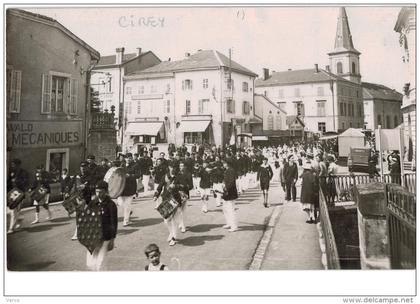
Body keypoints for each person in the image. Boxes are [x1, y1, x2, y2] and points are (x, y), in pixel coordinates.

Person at [84, 181, 118, 271]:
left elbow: (114, 223)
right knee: (90, 263)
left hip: (105, 238)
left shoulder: (111, 205)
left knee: (101, 263)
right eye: (97, 191)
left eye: (101, 192)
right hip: (94, 237)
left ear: (106, 191)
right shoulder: (92, 203)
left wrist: (112, 240)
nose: (98, 194)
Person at [7, 159, 29, 233]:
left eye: (14, 164)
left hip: (20, 193)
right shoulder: (12, 172)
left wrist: (17, 181)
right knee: (13, 210)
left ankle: (11, 228)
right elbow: (9, 182)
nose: (12, 166)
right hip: (13, 193)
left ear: (18, 165)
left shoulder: (24, 172)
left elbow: (26, 182)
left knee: (16, 210)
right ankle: (18, 220)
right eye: (12, 164)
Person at [118, 153, 140, 226]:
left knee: (127, 205)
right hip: (122, 187)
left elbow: (138, 175)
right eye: (127, 158)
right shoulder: (122, 165)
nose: (128, 159)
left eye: (130, 158)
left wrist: (130, 176)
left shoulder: (136, 165)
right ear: (125, 158)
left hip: (130, 187)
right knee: (120, 203)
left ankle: (126, 221)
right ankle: (129, 211)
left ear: (132, 158)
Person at [221, 159, 238, 232]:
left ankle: (234, 226)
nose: (223, 164)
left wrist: (226, 188)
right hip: (227, 192)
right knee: (225, 208)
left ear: (227, 164)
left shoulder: (231, 170)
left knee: (230, 209)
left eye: (224, 163)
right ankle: (229, 223)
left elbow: (231, 182)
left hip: (230, 192)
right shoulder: (227, 170)